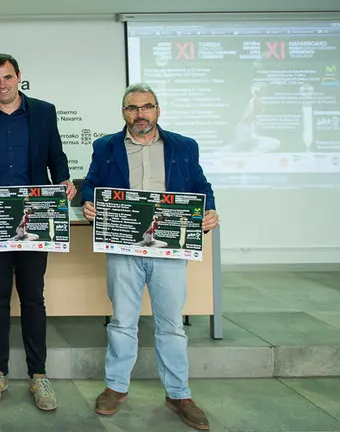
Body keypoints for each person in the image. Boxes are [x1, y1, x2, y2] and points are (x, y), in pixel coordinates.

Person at [81, 83, 219, 431]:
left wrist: (209, 210)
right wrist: (87, 201)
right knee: (122, 321)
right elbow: (91, 183)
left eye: (147, 107)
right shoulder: (105, 146)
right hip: (123, 246)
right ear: (123, 112)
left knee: (171, 324)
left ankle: (179, 394)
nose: (140, 114)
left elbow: (201, 187)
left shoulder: (184, 146)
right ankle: (116, 387)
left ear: (157, 110)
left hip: (169, 247)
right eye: (132, 108)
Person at [0, 53, 76, 411]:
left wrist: (64, 179)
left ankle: (38, 374)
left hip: (35, 217)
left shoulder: (44, 112)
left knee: (33, 297)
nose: (2, 85)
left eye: (7, 78)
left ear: (18, 77)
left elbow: (56, 156)